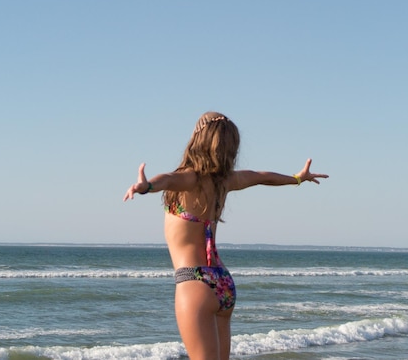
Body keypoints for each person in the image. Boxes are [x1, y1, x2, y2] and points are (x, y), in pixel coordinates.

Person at [123, 111, 328, 360]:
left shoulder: (190, 178)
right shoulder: (227, 181)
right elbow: (261, 177)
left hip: (194, 281)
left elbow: (167, 180)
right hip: (222, 283)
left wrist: (147, 187)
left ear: (197, 137)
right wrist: (296, 179)